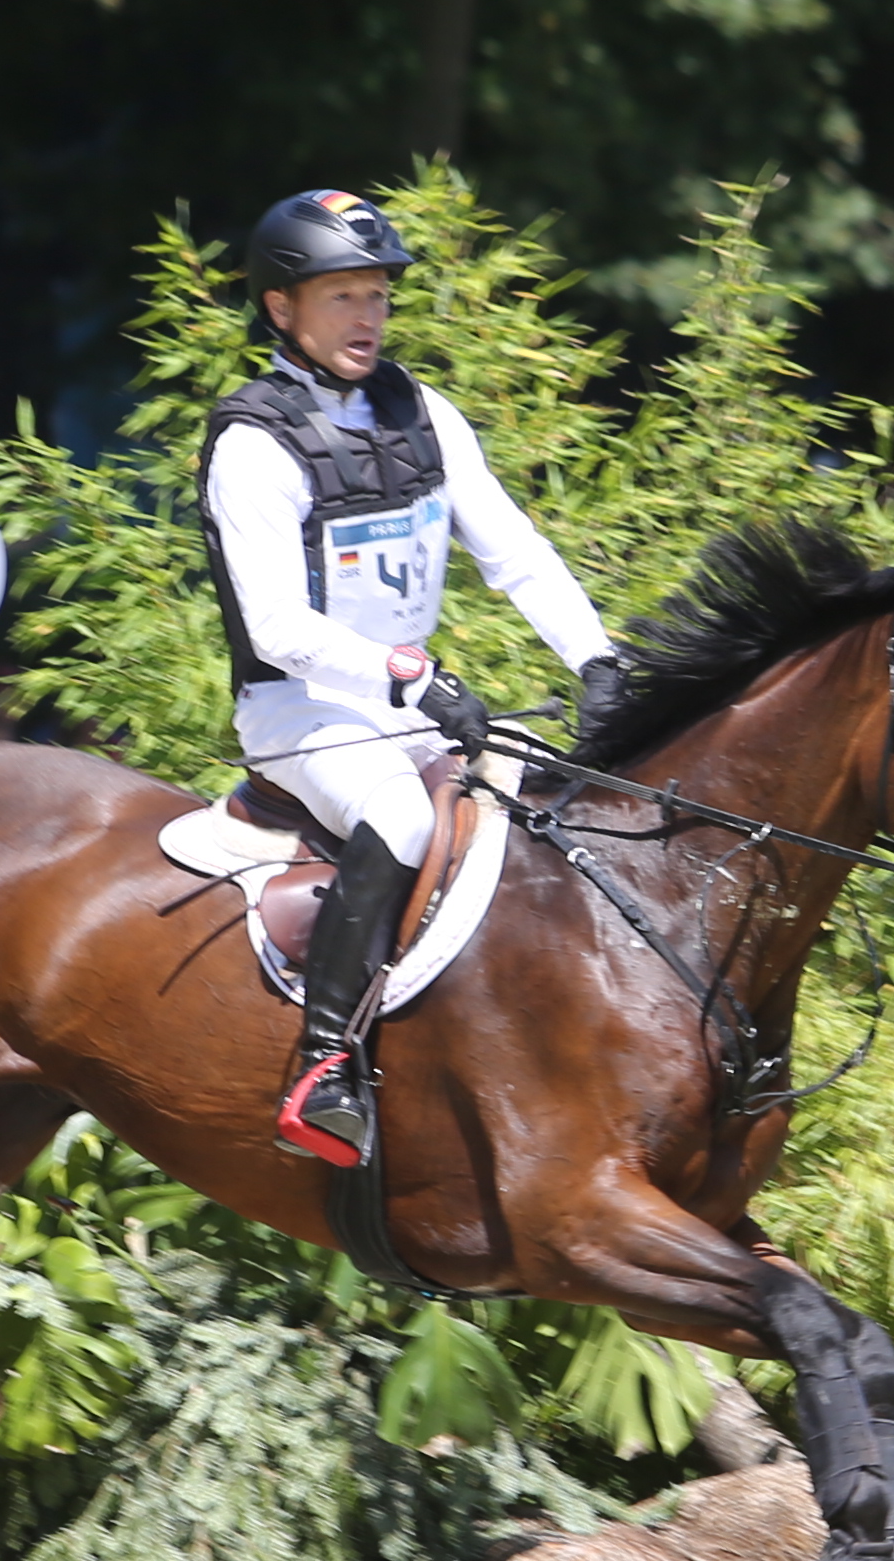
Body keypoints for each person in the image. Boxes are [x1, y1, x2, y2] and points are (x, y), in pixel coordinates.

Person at [199, 186, 627, 1168]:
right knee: (399, 821)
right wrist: (408, 677)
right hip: (301, 711)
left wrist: (595, 656)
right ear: (281, 309)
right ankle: (320, 1072)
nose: (368, 318)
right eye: (343, 297)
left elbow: (513, 548)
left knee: (552, 805)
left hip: (404, 703)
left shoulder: (420, 411)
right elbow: (278, 626)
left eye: (378, 296)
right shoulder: (253, 444)